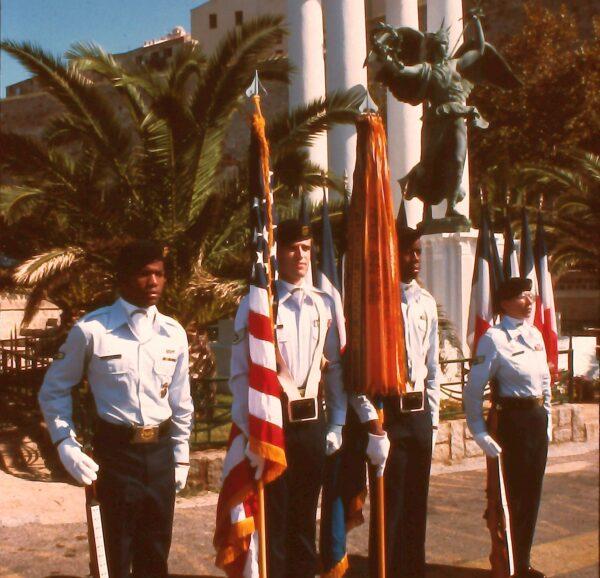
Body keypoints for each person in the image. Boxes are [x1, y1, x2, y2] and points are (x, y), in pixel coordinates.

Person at [38, 240, 194, 578]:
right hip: (116, 456)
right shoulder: (93, 330)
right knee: (113, 557)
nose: (153, 282)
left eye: (159, 274)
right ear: (122, 279)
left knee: (155, 555)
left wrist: (181, 456)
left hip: (160, 455)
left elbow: (181, 402)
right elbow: (53, 390)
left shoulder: (173, 333)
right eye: (143, 274)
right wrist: (65, 442)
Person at [229, 219, 348, 578]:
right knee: (275, 523)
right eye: (293, 248)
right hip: (273, 425)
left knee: (304, 520)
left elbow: (336, 369)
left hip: (313, 425)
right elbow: (239, 373)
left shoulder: (324, 305)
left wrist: (338, 422)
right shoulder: (260, 305)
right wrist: (247, 427)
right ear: (276, 254)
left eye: (307, 248)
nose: (301, 255)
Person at [350, 222, 441, 578]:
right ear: (392, 254)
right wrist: (372, 424)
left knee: (416, 507)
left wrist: (431, 418)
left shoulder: (427, 303)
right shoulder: (376, 306)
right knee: (389, 509)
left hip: (418, 418)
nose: (415, 258)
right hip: (390, 416)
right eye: (408, 251)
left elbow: (432, 366)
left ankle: (413, 571)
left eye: (418, 252)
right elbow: (358, 376)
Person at [464, 277, 551, 578]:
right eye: (521, 297)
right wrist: (479, 432)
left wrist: (547, 419)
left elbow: (545, 383)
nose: (529, 302)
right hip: (511, 423)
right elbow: (473, 390)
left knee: (532, 495)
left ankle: (523, 562)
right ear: (504, 303)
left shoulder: (535, 335)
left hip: (535, 421)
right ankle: (507, 565)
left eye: (530, 295)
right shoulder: (493, 338)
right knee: (509, 497)